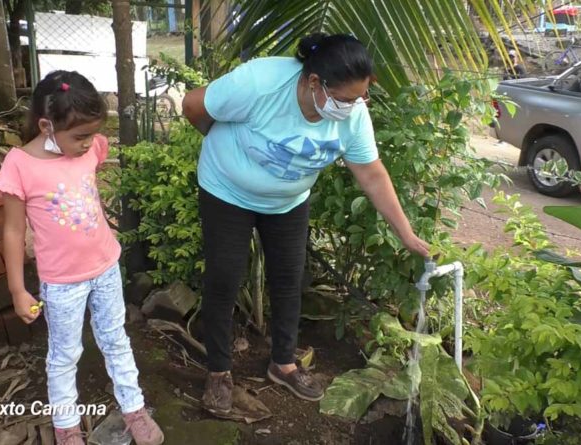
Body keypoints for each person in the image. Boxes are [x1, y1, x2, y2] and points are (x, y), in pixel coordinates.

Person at [182, 33, 430, 416]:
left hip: (287, 202)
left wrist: (406, 234)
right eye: (346, 99)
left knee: (290, 279)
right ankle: (219, 371)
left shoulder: (353, 115)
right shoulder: (259, 83)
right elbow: (194, 105)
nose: (355, 107)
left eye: (361, 97)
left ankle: (283, 364)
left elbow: (371, 173)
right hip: (226, 191)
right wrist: (222, 146)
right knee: (225, 279)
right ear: (315, 83)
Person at [0, 71, 164, 445]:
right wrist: (18, 289)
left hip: (105, 267)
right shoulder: (19, 165)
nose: (91, 143)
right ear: (45, 125)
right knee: (65, 354)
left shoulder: (92, 148)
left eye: (92, 134)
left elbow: (86, 190)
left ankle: (133, 408)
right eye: (80, 136)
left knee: (116, 339)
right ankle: (67, 427)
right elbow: (13, 231)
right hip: (62, 282)